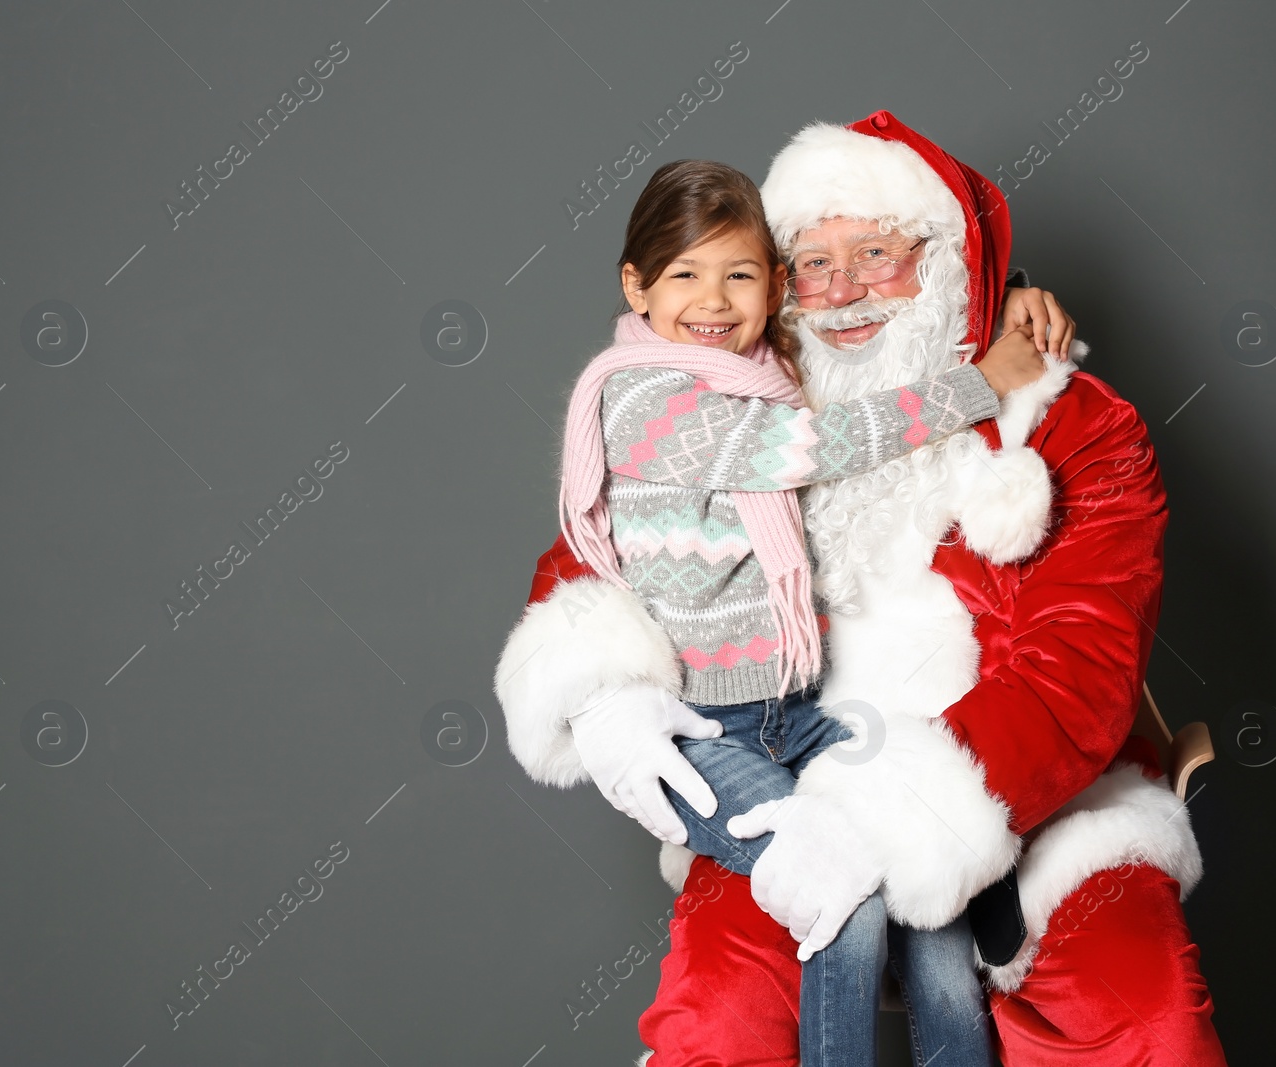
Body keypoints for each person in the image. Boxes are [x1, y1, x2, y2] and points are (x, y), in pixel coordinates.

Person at [512, 111, 1227, 1066]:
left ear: (945, 265)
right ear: (780, 284)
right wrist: (605, 693)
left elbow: (1080, 672)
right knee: (719, 1014)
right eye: (813, 262)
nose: (843, 290)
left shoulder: (1074, 426)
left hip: (1018, 795)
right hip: (784, 769)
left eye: (881, 253)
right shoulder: (742, 388)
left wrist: (902, 814)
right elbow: (609, 531)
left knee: (1141, 1012)